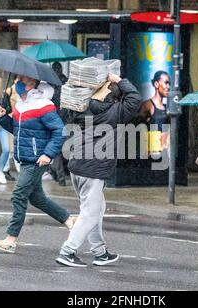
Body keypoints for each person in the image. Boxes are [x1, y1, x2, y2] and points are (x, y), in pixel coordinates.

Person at [56, 73, 142, 267]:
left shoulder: (82, 107)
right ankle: (67, 252)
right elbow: (135, 97)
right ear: (116, 96)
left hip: (77, 166)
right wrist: (120, 80)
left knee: (96, 209)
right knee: (90, 213)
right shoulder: (115, 112)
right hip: (93, 169)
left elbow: (66, 112)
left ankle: (100, 252)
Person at [0, 75, 76, 253]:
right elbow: (17, 129)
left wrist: (48, 154)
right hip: (26, 157)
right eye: (17, 79)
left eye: (22, 80)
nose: (18, 83)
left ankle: (10, 240)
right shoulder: (21, 105)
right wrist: (3, 117)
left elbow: (59, 131)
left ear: (33, 84)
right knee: (37, 198)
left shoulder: (44, 105)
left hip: (37, 159)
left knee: (19, 195)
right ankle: (68, 220)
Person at [138, 71, 171, 155]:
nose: (168, 87)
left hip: (165, 153)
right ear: (156, 84)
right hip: (152, 155)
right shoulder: (147, 105)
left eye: (169, 84)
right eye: (166, 83)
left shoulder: (167, 107)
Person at [49, 62, 68, 186]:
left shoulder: (49, 84)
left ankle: (57, 173)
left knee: (55, 148)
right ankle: (59, 173)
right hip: (66, 119)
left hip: (53, 119)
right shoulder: (66, 83)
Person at [3, 77, 21, 181]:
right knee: (11, 148)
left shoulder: (24, 91)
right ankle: (5, 169)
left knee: (16, 147)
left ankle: (10, 169)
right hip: (11, 120)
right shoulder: (9, 91)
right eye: (18, 79)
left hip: (20, 120)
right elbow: (5, 106)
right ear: (14, 80)